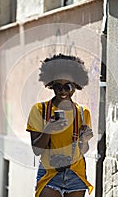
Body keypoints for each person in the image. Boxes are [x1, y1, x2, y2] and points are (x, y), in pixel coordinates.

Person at [26, 54, 94, 197]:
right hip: (49, 174)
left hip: (76, 174)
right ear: (51, 86)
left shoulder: (83, 113)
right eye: (58, 86)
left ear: (75, 86)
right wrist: (49, 129)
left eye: (67, 86)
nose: (63, 91)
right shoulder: (40, 110)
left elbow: (83, 150)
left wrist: (84, 140)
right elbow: (37, 150)